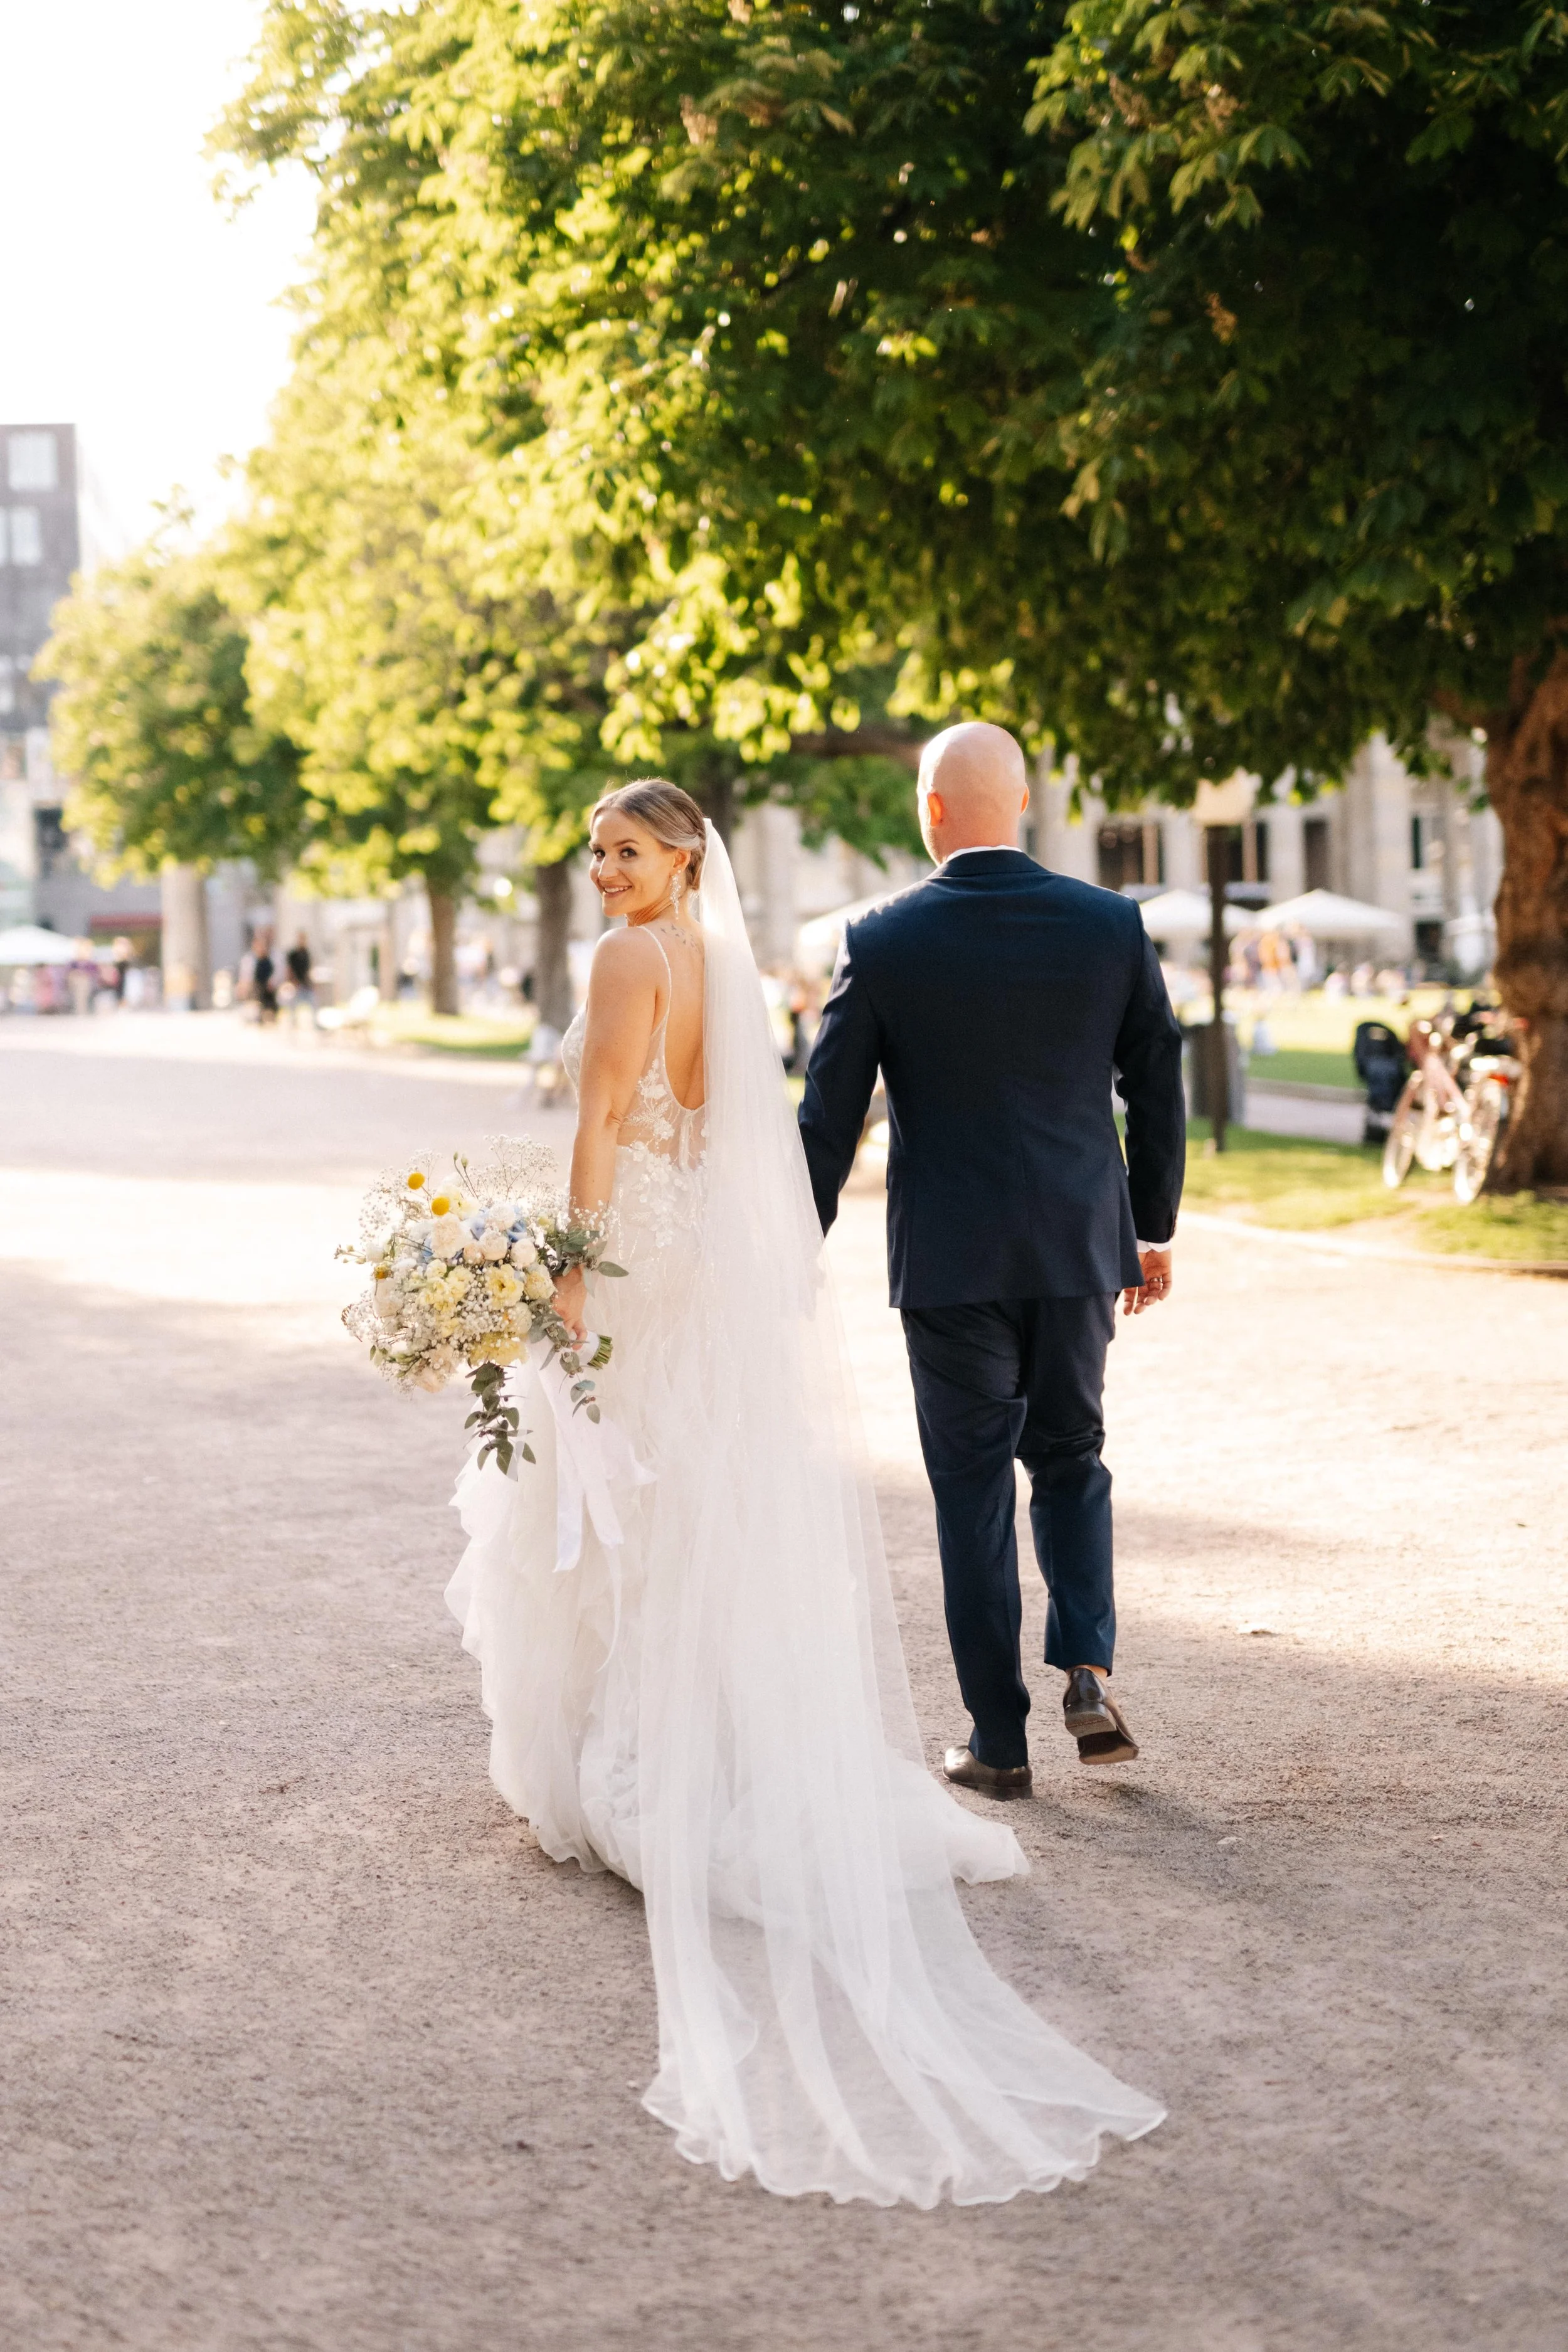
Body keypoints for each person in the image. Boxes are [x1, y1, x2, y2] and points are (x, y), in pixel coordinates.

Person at [447, 776, 1163, 2208]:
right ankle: (1053, 1663)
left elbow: (608, 1120)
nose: (603, 873)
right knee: (727, 1495)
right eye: (595, 854)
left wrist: (571, 1259)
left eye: (627, 851)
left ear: (679, 859)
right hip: (790, 1254)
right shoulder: (716, 957)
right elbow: (740, 1137)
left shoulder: (665, 956)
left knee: (635, 1498)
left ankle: (691, 1747)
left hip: (664, 1261)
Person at [799, 724, 1186, 1793]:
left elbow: (828, 1117)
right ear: (1023, 802)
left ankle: (999, 1740)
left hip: (952, 1258)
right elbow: (1156, 1071)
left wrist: (790, 1244)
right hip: (1075, 1246)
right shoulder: (1109, 924)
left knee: (971, 1492)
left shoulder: (879, 939)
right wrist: (1149, 1224)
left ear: (929, 810)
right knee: (1071, 1456)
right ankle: (1090, 1665)